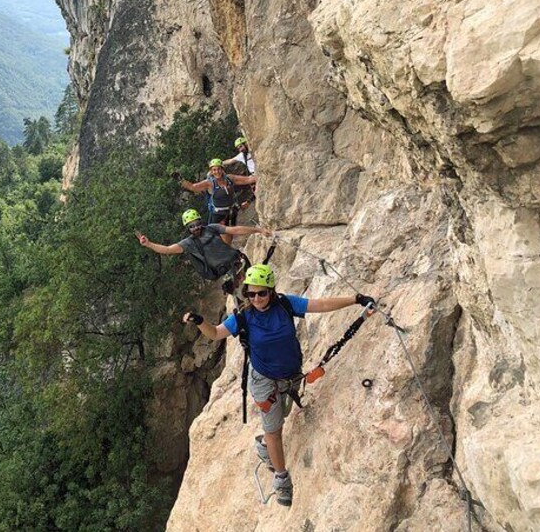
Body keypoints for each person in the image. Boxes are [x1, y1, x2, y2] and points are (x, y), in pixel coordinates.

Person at [181, 264, 375, 507]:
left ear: (271, 291)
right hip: (264, 381)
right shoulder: (243, 317)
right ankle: (281, 479)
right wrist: (200, 321)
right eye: (251, 294)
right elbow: (216, 333)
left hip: (290, 375)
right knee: (275, 429)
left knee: (282, 415)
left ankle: (264, 444)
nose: (257, 299)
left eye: (262, 293)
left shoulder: (285, 304)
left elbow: (320, 305)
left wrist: (355, 299)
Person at [136, 209, 270, 295]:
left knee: (258, 286)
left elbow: (234, 230)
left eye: (197, 223)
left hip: (237, 261)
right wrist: (148, 244)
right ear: (187, 228)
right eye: (191, 226)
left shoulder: (212, 228)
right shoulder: (189, 243)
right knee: (246, 294)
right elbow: (167, 250)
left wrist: (258, 230)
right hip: (227, 272)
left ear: (201, 221)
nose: (196, 228)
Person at [174, 159, 256, 244]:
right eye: (214, 170)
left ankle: (228, 251)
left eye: (219, 169)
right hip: (218, 215)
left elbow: (247, 180)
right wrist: (180, 180)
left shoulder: (230, 178)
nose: (217, 172)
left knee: (230, 236)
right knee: (222, 237)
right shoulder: (210, 183)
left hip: (231, 211)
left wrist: (260, 177)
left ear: (222, 169)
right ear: (211, 171)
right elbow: (194, 187)